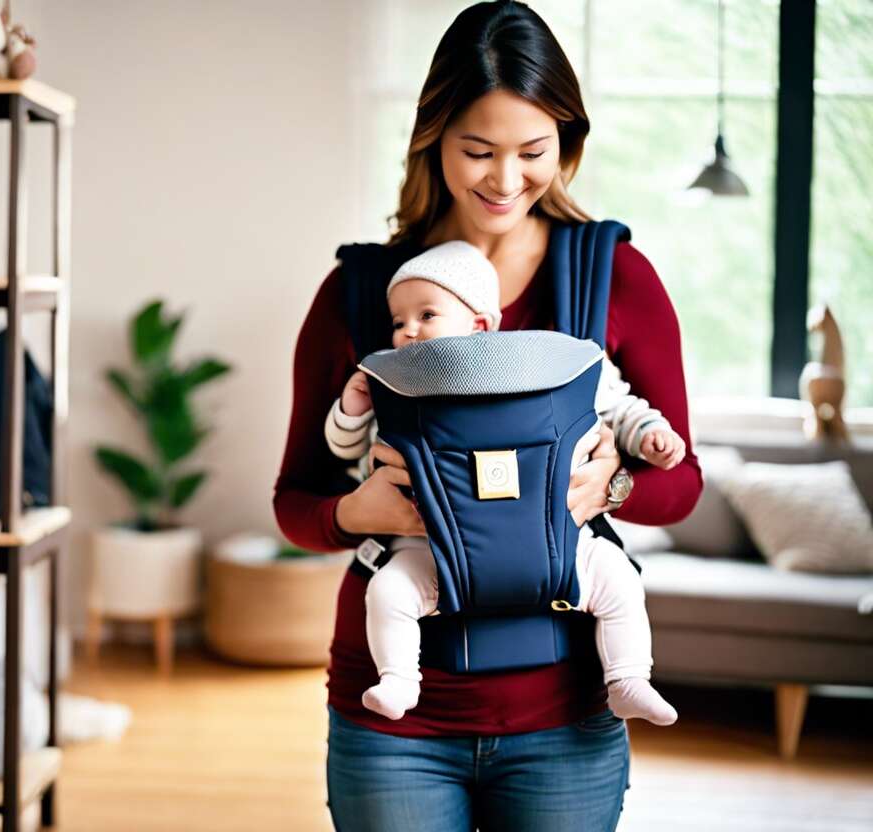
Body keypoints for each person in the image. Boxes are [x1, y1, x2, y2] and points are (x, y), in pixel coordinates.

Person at [272, 2, 703, 829]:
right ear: (433, 138)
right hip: (392, 720)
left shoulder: (614, 276)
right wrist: (355, 512)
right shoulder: (362, 293)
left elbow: (681, 482)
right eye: (478, 151)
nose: (505, 181)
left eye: (533, 152)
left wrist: (609, 484)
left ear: (565, 145)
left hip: (565, 718)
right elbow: (294, 500)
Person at [324, 239, 683, 725]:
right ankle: (398, 680)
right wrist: (352, 406)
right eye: (398, 322)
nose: (408, 331)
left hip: (556, 540)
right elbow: (344, 448)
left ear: (479, 324)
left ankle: (628, 679)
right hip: (430, 545)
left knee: (618, 577)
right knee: (388, 590)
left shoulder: (548, 362)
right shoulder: (393, 385)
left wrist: (650, 436)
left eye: (426, 315)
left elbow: (616, 404)